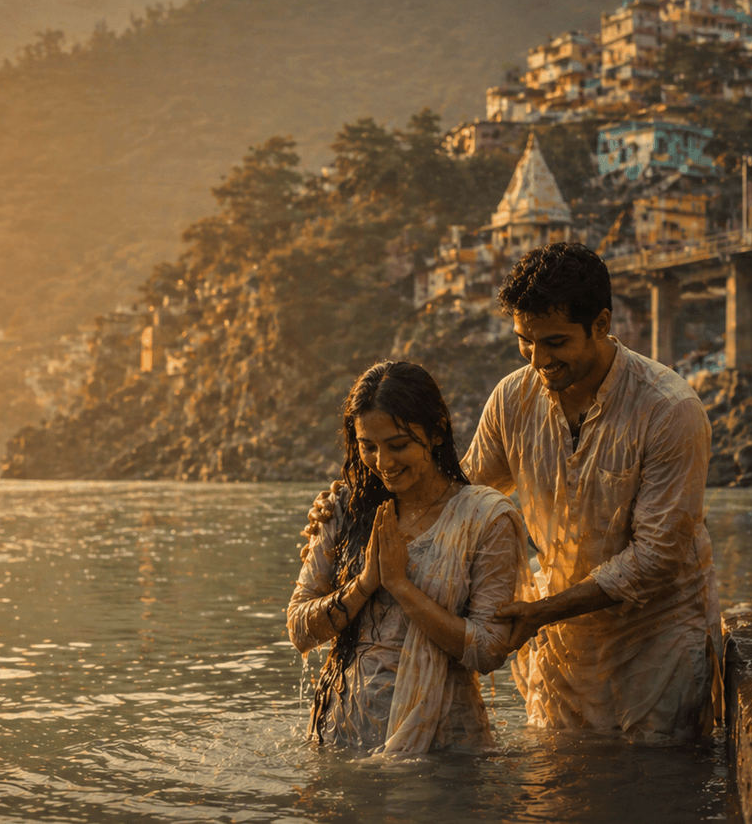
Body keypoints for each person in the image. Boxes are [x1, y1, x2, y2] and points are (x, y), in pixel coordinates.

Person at [306, 243, 721, 746]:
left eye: (555, 342)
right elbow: (455, 493)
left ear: (601, 324)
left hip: (655, 643)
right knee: (557, 781)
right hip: (561, 649)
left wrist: (543, 610)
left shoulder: (669, 410)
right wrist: (351, 509)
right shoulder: (513, 398)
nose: (539, 359)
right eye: (525, 341)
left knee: (655, 776)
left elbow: (657, 557)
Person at [287, 361, 529, 754]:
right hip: (339, 738)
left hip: (442, 748)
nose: (383, 462)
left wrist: (400, 586)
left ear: (436, 433)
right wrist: (365, 583)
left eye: (398, 445)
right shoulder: (344, 508)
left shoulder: (485, 518)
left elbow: (488, 650)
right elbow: (299, 630)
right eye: (368, 446)